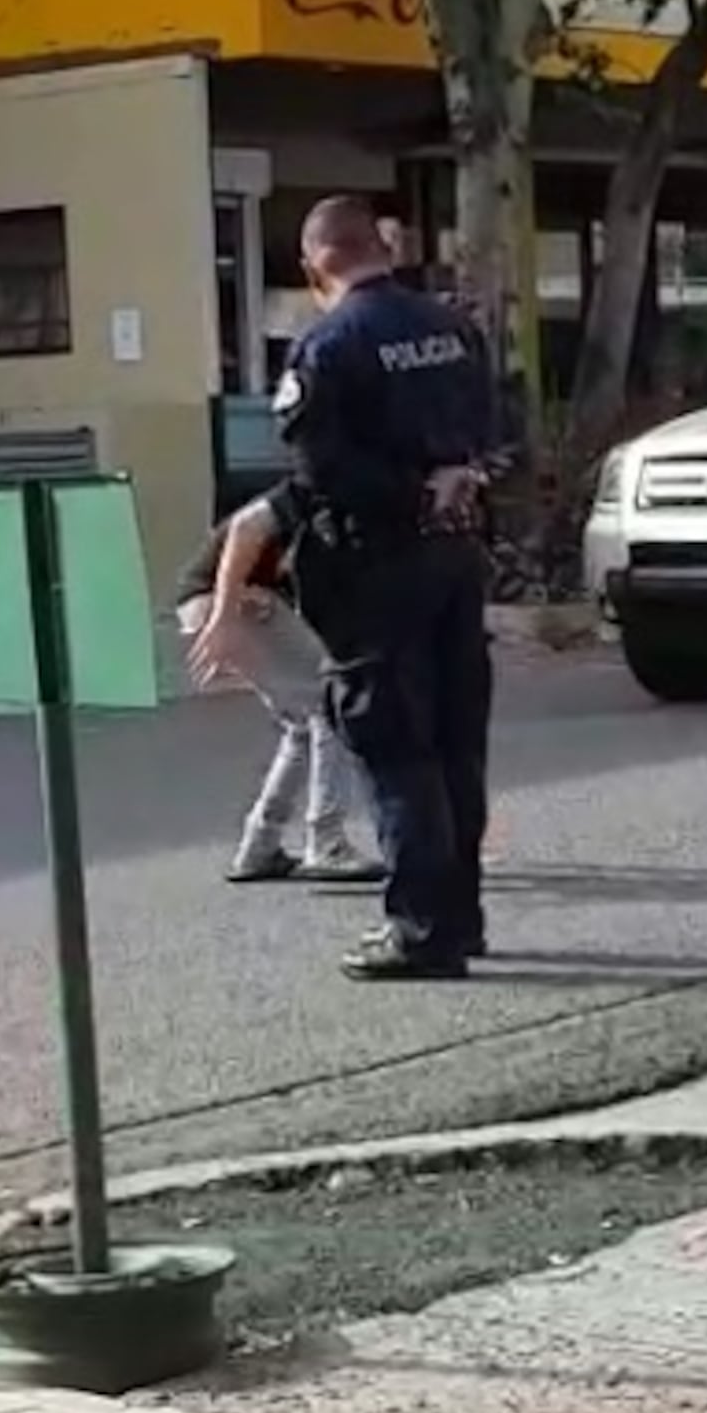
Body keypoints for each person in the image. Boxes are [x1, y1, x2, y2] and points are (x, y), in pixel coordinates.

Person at [191, 194, 498, 981]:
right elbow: (493, 431)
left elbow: (322, 473)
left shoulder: (329, 345)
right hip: (456, 556)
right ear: (380, 248)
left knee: (397, 749)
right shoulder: (451, 327)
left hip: (377, 570)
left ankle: (422, 930)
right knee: (458, 745)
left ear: (314, 264)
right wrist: (447, 483)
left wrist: (400, 495)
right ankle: (460, 916)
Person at [177, 509, 383, 884]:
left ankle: (260, 844)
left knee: (301, 725)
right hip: (232, 600)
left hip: (208, 602)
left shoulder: (313, 513)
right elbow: (243, 536)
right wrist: (229, 608)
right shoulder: (303, 505)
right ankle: (326, 840)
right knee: (329, 704)